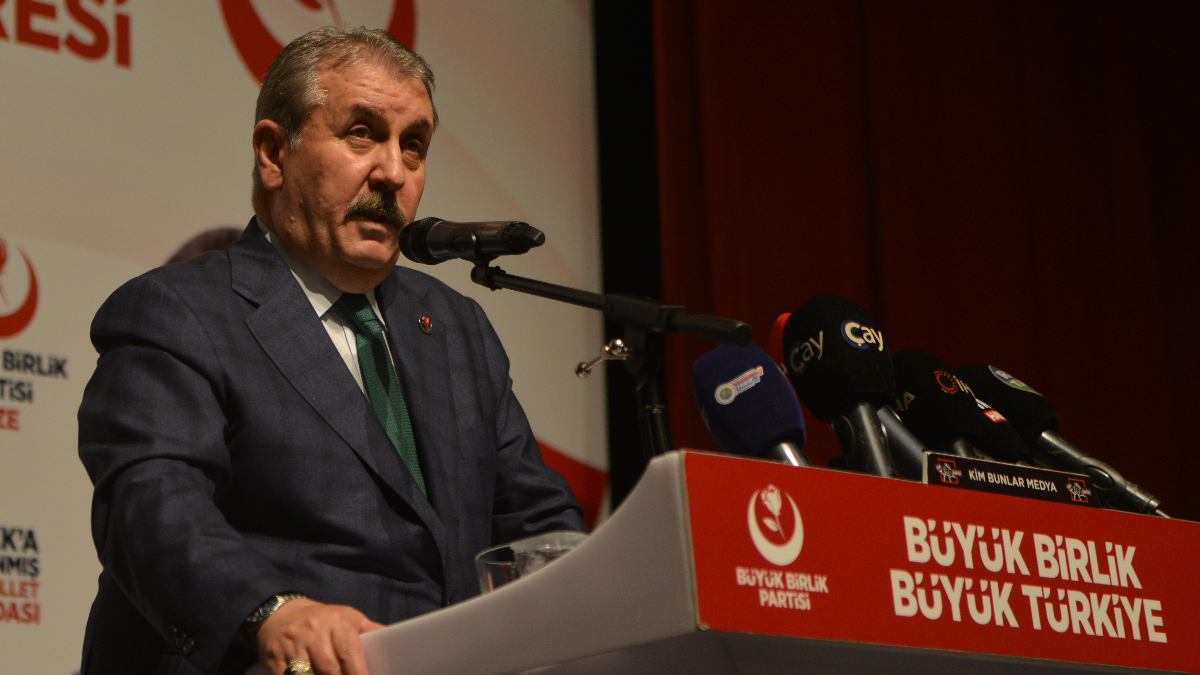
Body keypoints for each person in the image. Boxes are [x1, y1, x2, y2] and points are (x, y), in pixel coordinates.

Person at [77, 27, 584, 675]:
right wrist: (273, 612)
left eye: (414, 145)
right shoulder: (181, 310)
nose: (394, 172)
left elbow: (536, 524)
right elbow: (151, 501)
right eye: (362, 134)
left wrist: (604, 603)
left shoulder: (458, 327)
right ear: (273, 153)